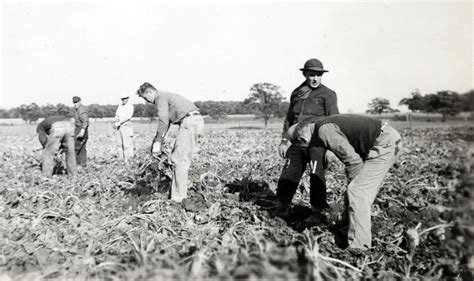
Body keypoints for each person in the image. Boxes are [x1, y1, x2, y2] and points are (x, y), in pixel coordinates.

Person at [287, 114, 402, 250]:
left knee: (357, 191)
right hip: (387, 139)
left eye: (302, 145)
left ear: (301, 139)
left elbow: (353, 162)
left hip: (384, 142)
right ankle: (349, 225)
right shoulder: (322, 125)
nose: (305, 148)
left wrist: (354, 189)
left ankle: (359, 247)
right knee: (356, 189)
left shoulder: (324, 130)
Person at [275, 58, 339, 221]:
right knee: (288, 174)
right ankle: (282, 209)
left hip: (317, 143)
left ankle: (317, 213)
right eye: (311, 74)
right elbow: (289, 119)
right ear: (305, 74)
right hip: (297, 142)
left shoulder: (328, 94)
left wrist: (331, 149)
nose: (315, 78)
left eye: (318, 75)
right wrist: (284, 141)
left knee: (316, 176)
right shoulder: (297, 93)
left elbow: (334, 122)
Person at [136, 82, 204, 202]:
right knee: (178, 158)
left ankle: (178, 199)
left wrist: (158, 142)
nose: (148, 102)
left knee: (179, 160)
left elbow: (163, 120)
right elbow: (165, 122)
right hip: (192, 122)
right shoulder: (165, 96)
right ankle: (177, 194)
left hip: (189, 123)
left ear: (150, 92)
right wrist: (158, 140)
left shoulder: (160, 97)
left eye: (146, 98)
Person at [114, 95, 134, 161]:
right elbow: (117, 114)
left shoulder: (130, 106)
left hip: (126, 126)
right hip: (119, 126)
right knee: (119, 144)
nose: (124, 100)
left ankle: (128, 160)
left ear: (128, 98)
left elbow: (128, 117)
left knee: (126, 144)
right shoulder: (120, 106)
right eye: (122, 99)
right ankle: (121, 159)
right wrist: (116, 120)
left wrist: (120, 122)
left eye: (125, 98)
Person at [73, 96, 89, 167]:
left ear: (80, 102)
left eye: (76, 102)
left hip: (81, 130)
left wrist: (82, 130)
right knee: (82, 148)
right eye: (74, 103)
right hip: (79, 129)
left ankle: (76, 164)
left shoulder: (81, 110)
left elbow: (85, 121)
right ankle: (82, 164)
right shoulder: (78, 110)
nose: (75, 104)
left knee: (76, 147)